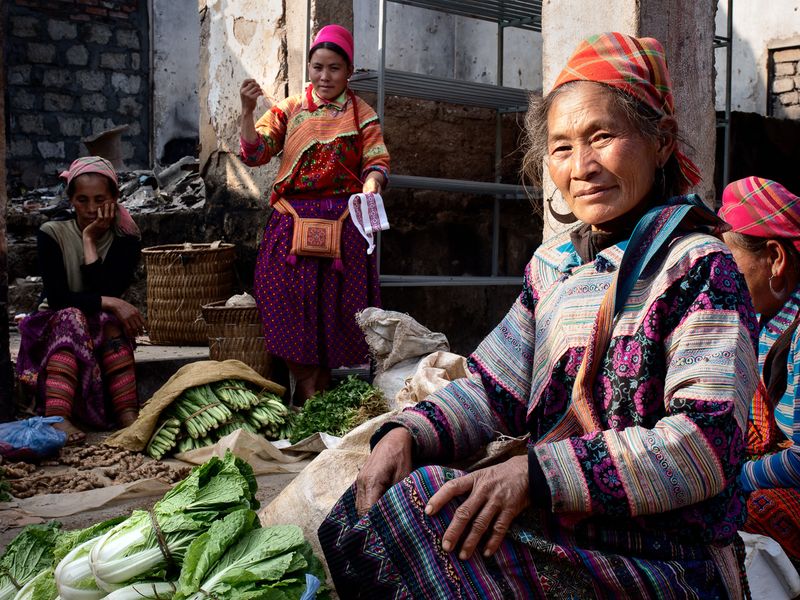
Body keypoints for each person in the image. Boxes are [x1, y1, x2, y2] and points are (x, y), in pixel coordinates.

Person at [318, 32, 759, 598]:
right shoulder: (553, 269)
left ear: (662, 141)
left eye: (602, 137)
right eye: (561, 147)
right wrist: (407, 432)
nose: (582, 166)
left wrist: (537, 475)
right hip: (572, 525)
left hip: (666, 555)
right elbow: (492, 386)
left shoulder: (701, 268)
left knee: (423, 525)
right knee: (394, 500)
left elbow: (706, 441)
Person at [238, 24, 390, 405]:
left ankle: (316, 393)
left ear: (348, 71)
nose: (325, 77)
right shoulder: (289, 110)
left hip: (343, 229)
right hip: (290, 227)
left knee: (336, 312)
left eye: (334, 68)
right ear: (309, 66)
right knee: (286, 304)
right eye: (317, 66)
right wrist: (246, 111)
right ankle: (306, 387)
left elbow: (377, 160)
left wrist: (372, 184)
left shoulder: (361, 114)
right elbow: (255, 153)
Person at [16, 156, 144, 444]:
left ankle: (128, 414)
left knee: (108, 321)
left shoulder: (126, 238)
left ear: (114, 198)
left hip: (98, 327)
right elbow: (60, 298)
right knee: (72, 316)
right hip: (53, 327)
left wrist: (89, 240)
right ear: (71, 200)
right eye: (82, 200)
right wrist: (111, 302)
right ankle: (58, 418)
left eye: (99, 199)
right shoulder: (52, 233)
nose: (90, 209)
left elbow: (105, 287)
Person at [719, 176, 800, 562]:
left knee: (739, 513)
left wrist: (739, 477)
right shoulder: (762, 317)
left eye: (730, 262)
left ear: (776, 258)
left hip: (788, 480)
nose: (722, 278)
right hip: (770, 465)